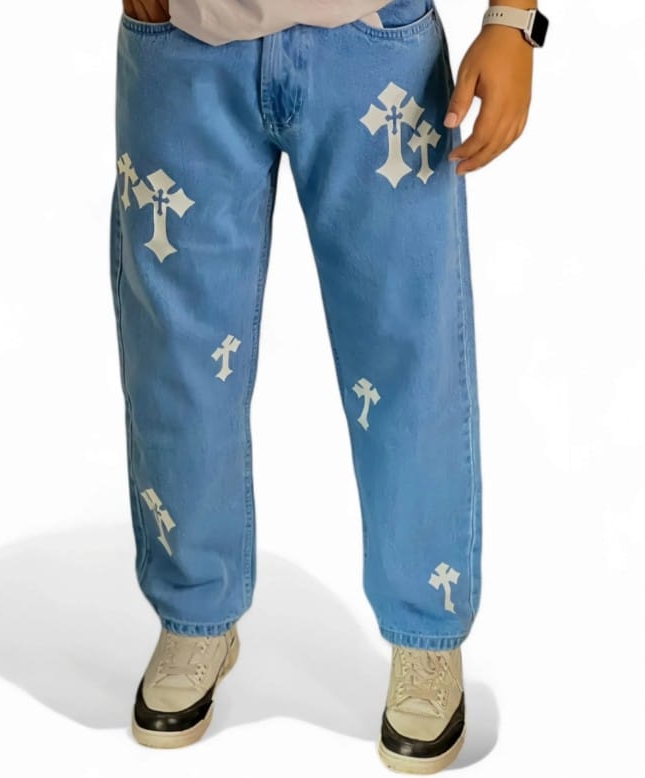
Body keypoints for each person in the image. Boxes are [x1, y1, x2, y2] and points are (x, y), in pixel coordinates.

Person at [111, 0, 544, 772]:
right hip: (186, 42)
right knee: (176, 359)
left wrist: (514, 19)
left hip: (375, 44)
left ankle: (425, 628)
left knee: (408, 353)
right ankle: (193, 608)